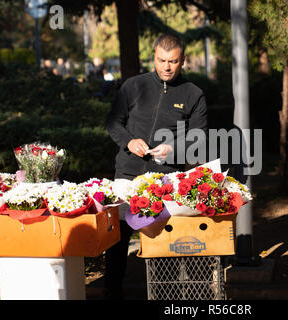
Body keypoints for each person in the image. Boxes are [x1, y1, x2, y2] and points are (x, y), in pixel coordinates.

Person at [104, 34, 208, 299]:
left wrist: (174, 149)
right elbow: (113, 122)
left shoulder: (194, 94)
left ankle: (167, 297)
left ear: (182, 61)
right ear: (154, 58)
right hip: (127, 175)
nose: (167, 67)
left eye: (173, 61)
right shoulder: (133, 85)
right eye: (162, 60)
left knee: (164, 242)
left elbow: (200, 136)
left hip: (166, 178)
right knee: (116, 244)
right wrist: (129, 142)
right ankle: (112, 294)